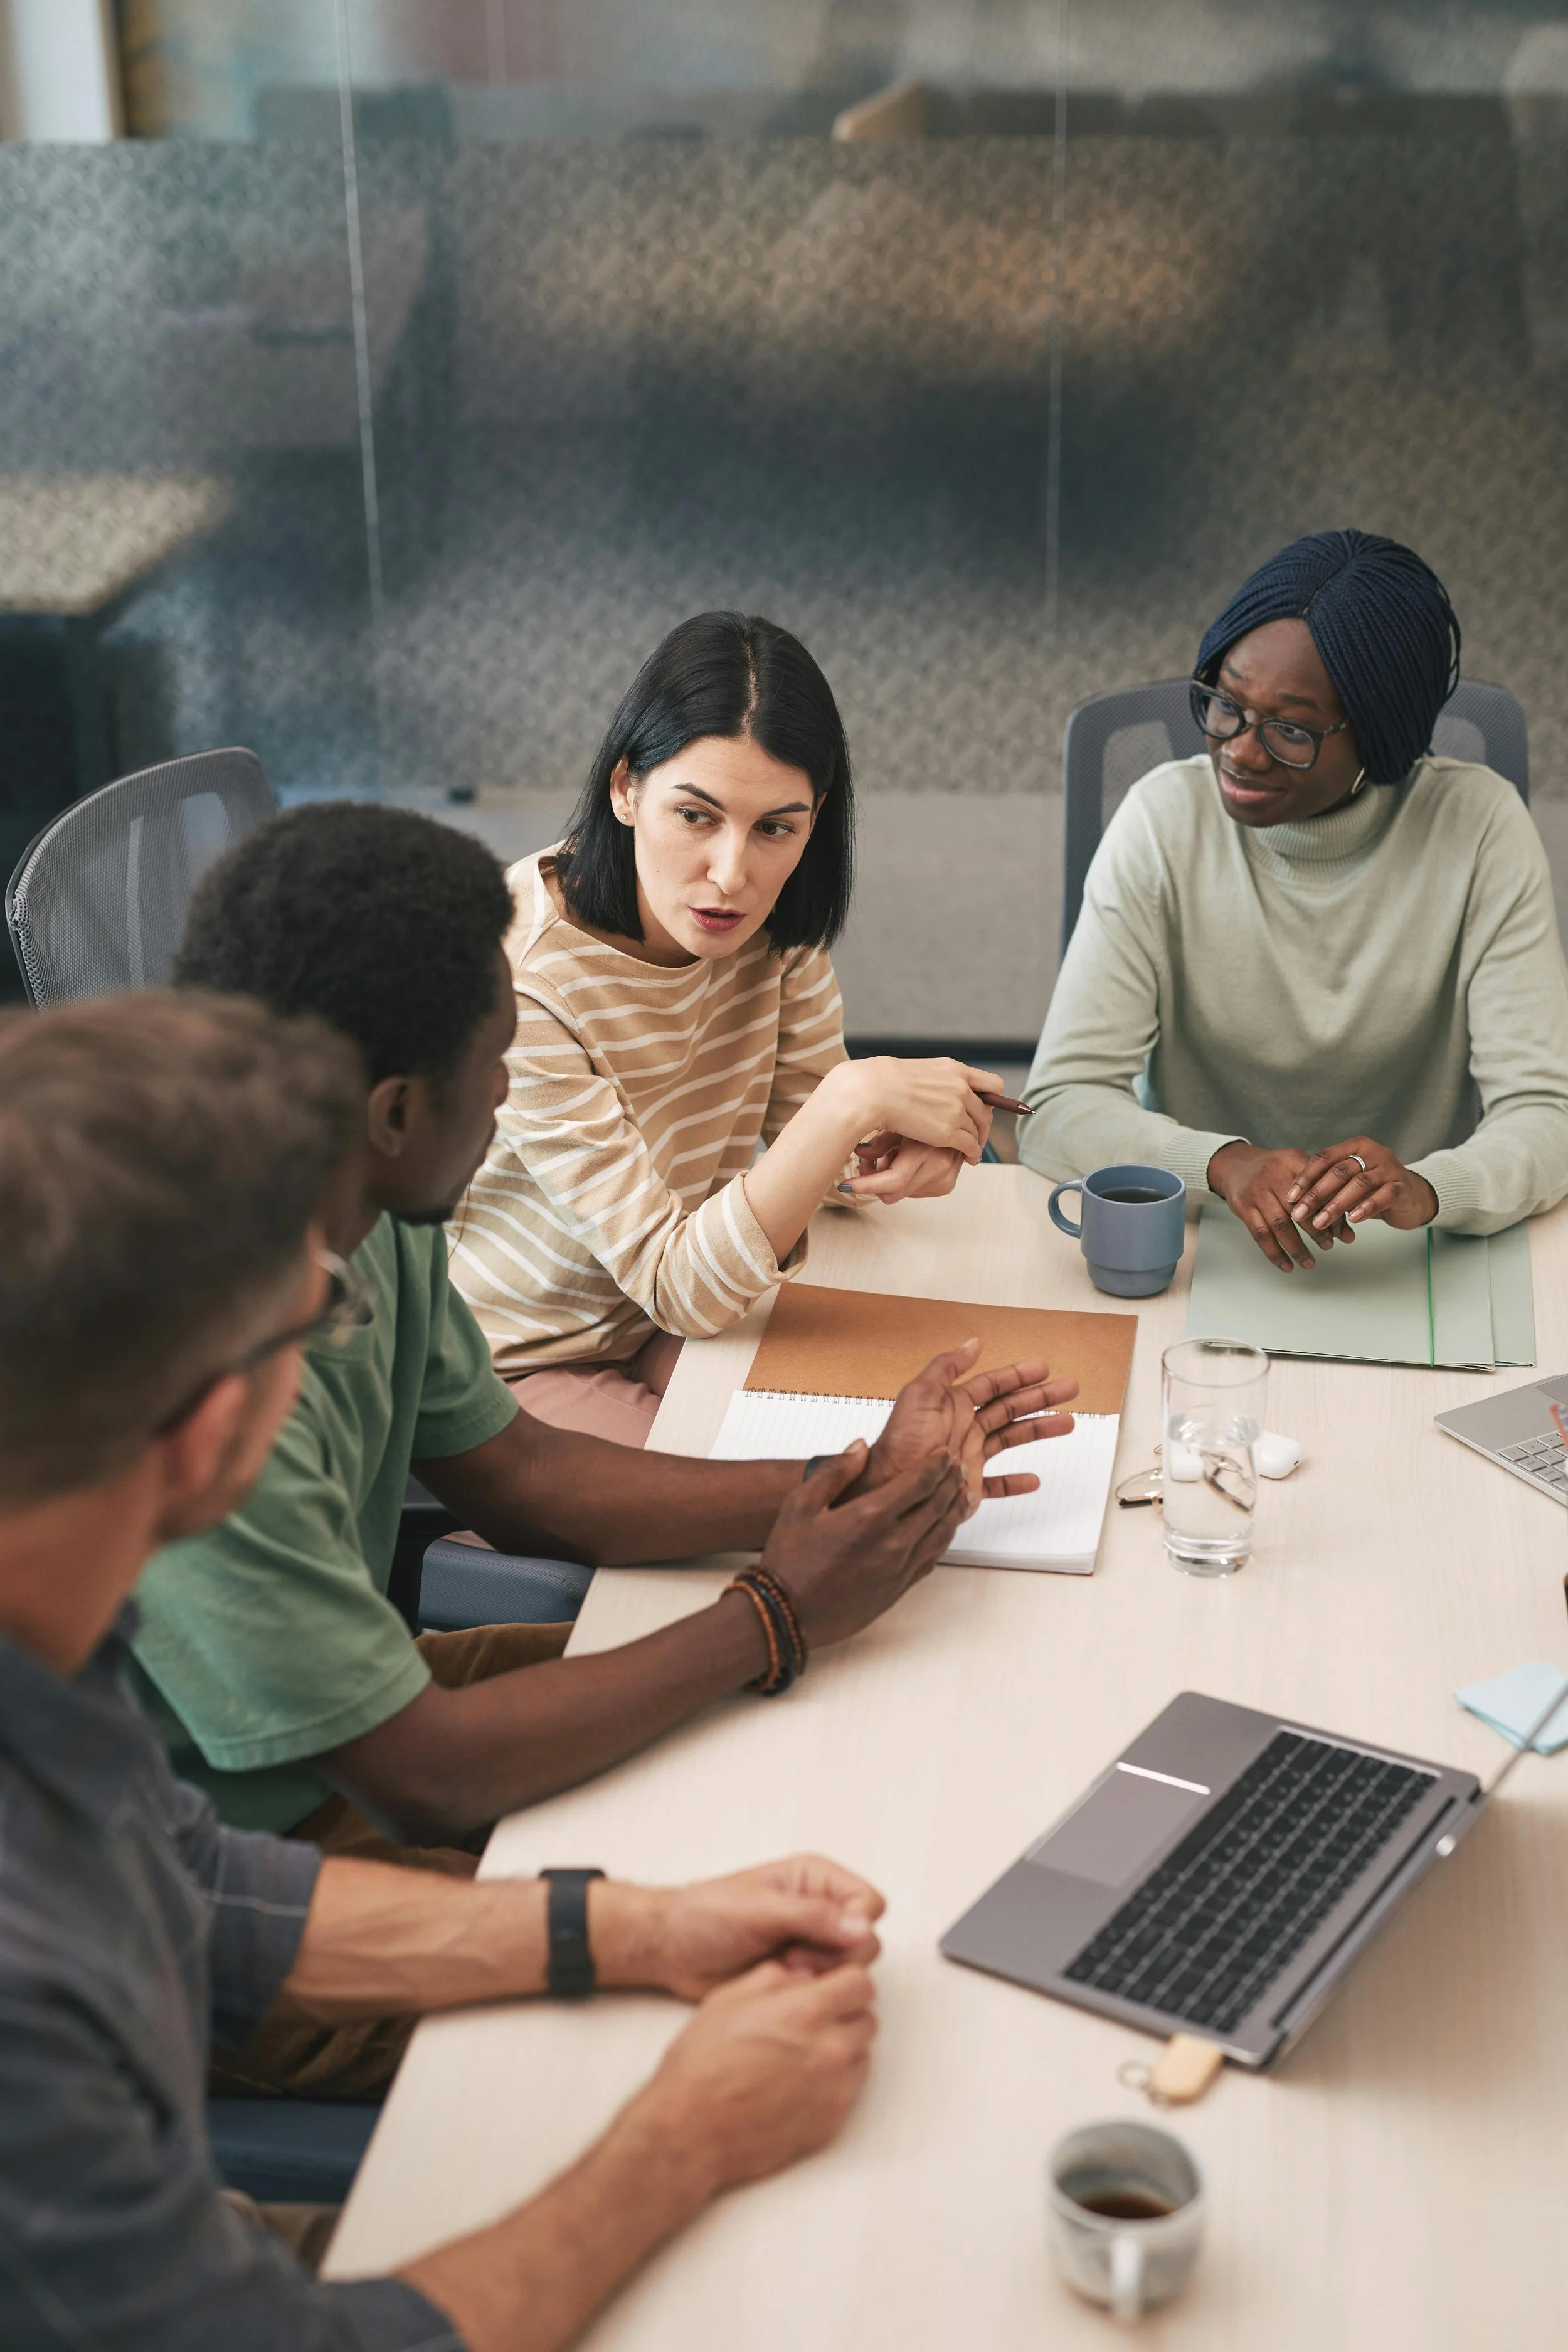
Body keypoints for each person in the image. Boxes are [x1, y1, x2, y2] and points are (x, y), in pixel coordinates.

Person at [134, 800, 1074, 2093]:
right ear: (400, 1108)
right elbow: (421, 1775)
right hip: (212, 1898)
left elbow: (516, 1476)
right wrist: (772, 1615)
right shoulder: (204, 1372)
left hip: (333, 1741)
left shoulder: (371, 1191)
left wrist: (838, 1487)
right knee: (726, 1990)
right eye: (499, 1061)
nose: (511, 1091)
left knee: (805, 1754)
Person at [0, 989, 889, 2352]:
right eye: (313, 1307)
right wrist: (679, 2138)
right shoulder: (31, 2020)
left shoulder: (56, 1661)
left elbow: (196, 1885)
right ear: (216, 1427)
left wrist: (632, 1930)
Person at [450, 610, 1010, 1441]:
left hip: (668, 1316)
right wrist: (853, 1101)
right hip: (519, 1355)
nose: (732, 876)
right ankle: (482, 1560)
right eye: (696, 816)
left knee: (911, 1427)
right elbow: (684, 1280)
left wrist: (893, 1145)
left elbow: (815, 1158)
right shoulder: (524, 976)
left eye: (775, 828)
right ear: (625, 788)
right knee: (797, 1501)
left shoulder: (773, 935)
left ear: (813, 822)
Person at [1020, 529, 1568, 1269]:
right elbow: (1059, 1107)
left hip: (1414, 1259)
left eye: (1290, 730)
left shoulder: (1479, 829)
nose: (1241, 751)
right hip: (1195, 1248)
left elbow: (1545, 1116)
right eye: (1224, 705)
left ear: (1379, 735)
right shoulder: (1162, 819)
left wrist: (1430, 1189)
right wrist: (1222, 1163)